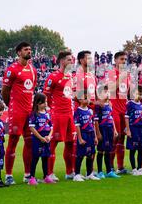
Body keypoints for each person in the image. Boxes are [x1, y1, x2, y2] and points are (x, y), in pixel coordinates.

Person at [2, 42, 37, 185]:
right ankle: (8, 175)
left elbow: (32, 90)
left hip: (29, 111)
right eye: (26, 49)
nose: (29, 51)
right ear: (18, 53)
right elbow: (5, 90)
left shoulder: (33, 70)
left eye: (30, 49)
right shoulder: (12, 69)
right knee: (13, 141)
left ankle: (27, 174)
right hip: (16, 111)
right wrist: (10, 105)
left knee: (29, 142)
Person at [44, 51, 76, 181]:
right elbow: (46, 95)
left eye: (72, 60)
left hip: (69, 114)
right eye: (69, 60)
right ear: (62, 61)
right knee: (53, 143)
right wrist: (52, 109)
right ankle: (49, 173)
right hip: (58, 114)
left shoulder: (70, 77)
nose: (71, 62)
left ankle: (70, 172)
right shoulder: (53, 76)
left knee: (70, 143)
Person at [107, 52, 130, 174]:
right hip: (114, 108)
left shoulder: (128, 75)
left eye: (125, 59)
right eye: (121, 59)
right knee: (114, 138)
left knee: (122, 138)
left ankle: (120, 167)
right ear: (115, 60)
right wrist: (120, 78)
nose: (124, 61)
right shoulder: (111, 73)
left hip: (124, 108)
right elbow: (109, 89)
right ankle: (109, 166)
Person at [28, 93, 54, 185]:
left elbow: (51, 127)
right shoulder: (34, 114)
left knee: (45, 158)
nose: (46, 104)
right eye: (44, 102)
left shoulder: (47, 114)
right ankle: (32, 177)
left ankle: (46, 176)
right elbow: (32, 128)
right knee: (35, 158)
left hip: (46, 140)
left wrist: (49, 136)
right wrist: (40, 137)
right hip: (37, 140)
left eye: (46, 101)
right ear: (38, 103)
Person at [94, 86, 120, 178]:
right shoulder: (98, 106)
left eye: (108, 92)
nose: (108, 94)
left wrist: (115, 130)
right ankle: (100, 171)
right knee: (100, 151)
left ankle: (109, 171)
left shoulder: (109, 104)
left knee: (108, 150)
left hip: (109, 129)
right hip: (102, 129)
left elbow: (111, 117)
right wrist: (98, 133)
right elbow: (96, 120)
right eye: (105, 92)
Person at [73, 95, 100, 181]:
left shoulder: (90, 111)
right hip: (83, 134)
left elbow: (92, 125)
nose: (87, 100)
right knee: (80, 155)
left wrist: (95, 137)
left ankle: (89, 173)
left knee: (90, 155)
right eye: (85, 98)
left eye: (87, 98)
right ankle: (77, 174)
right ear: (80, 100)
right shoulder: (77, 111)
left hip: (91, 135)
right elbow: (77, 126)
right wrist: (80, 138)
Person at [125, 86, 142, 176]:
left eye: (141, 94)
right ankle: (134, 169)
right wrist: (128, 130)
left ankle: (139, 168)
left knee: (141, 149)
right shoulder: (129, 104)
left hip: (141, 129)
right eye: (139, 93)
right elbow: (126, 117)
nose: (140, 95)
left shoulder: (141, 104)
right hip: (133, 128)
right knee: (133, 149)